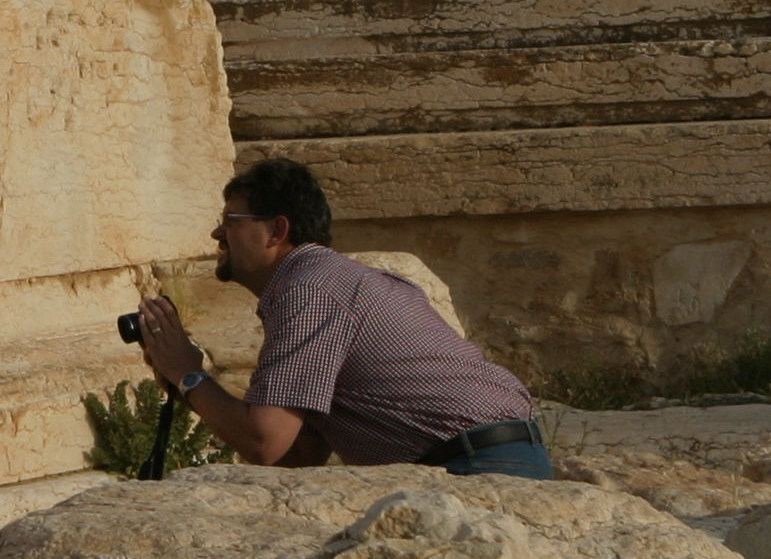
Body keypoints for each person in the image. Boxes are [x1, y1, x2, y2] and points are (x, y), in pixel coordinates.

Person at [130, 157, 553, 478]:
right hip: (501, 454)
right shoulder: (332, 281)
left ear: (277, 231)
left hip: (474, 465)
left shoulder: (308, 291)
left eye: (230, 222)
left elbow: (264, 442)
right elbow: (297, 455)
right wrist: (186, 385)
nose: (217, 235)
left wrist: (189, 373)